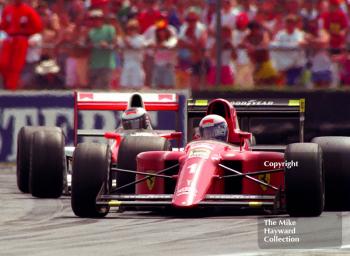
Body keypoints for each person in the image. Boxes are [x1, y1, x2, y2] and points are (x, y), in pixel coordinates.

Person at [0, 0, 43, 90]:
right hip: (9, 40)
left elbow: (38, 26)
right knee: (3, 63)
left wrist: (27, 35)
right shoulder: (8, 10)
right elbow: (3, 25)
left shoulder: (28, 10)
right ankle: (7, 84)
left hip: (21, 40)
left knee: (16, 65)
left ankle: (12, 87)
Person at [271, 15, 306, 86]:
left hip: (296, 66)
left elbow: (302, 43)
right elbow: (275, 44)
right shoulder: (280, 34)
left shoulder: (299, 34)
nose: (289, 25)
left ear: (295, 24)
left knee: (293, 85)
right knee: (281, 85)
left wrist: (287, 46)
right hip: (283, 66)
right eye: (288, 23)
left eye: (292, 23)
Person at [87, 9, 117, 89]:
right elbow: (87, 45)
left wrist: (107, 45)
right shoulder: (91, 31)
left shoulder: (110, 29)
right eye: (93, 18)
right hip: (94, 65)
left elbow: (115, 45)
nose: (95, 20)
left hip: (106, 64)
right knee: (94, 89)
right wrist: (89, 46)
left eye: (97, 18)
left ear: (102, 18)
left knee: (105, 89)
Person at [119, 19, 147, 89]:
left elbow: (135, 46)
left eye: (133, 28)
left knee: (137, 85)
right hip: (126, 62)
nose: (131, 30)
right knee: (124, 85)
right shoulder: (123, 38)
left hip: (137, 63)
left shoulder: (141, 38)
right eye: (129, 28)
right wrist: (124, 40)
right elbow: (120, 46)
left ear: (137, 29)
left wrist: (126, 42)